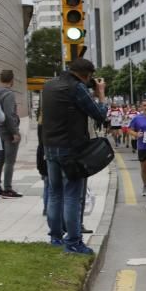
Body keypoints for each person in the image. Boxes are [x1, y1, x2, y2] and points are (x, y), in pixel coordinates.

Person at [40, 58, 108, 254]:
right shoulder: (76, 87)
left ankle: (55, 237)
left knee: (54, 193)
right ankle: (73, 242)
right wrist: (101, 94)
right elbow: (99, 114)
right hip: (70, 149)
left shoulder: (49, 85)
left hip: (50, 146)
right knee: (72, 196)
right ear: (86, 75)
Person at [0, 70, 22, 198]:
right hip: (9, 132)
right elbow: (9, 115)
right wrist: (15, 132)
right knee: (10, 161)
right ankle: (8, 189)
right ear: (12, 80)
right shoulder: (9, 94)